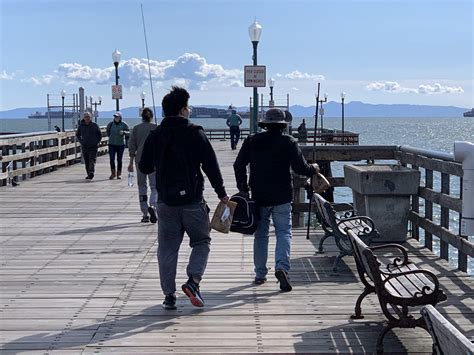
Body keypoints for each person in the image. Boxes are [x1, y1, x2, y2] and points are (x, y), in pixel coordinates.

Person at [139, 86, 229, 310]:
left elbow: (144, 166)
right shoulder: (194, 131)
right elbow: (211, 165)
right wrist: (222, 193)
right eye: (187, 107)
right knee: (201, 241)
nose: (189, 110)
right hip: (192, 201)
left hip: (165, 202)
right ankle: (193, 281)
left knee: (167, 248)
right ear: (181, 110)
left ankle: (169, 296)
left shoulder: (156, 134)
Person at [233, 108, 319, 292]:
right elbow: (301, 168)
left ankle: (260, 273)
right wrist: (314, 168)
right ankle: (282, 268)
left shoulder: (252, 140)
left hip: (259, 195)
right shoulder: (288, 141)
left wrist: (243, 187)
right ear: (283, 125)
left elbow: (238, 164)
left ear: (265, 124)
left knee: (261, 234)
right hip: (282, 195)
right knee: (283, 233)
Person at [128, 107, 158, 223]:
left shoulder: (136, 129)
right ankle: (153, 205)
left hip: (139, 160)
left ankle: (145, 213)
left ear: (142, 117)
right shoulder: (156, 128)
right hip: (153, 161)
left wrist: (130, 162)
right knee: (155, 186)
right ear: (151, 117)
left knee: (142, 186)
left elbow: (132, 146)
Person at [76, 111, 102, 180]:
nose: (87, 118)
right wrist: (81, 141)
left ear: (91, 117)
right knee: (86, 160)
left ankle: (91, 172)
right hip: (85, 146)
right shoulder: (81, 126)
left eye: (88, 117)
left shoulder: (94, 125)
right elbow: (77, 134)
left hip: (93, 146)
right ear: (84, 118)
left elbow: (99, 134)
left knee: (92, 159)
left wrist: (97, 142)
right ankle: (88, 174)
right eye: (86, 117)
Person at [106, 111, 129, 180]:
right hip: (111, 144)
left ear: (120, 117)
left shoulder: (124, 124)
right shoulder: (110, 124)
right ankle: (113, 173)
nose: (116, 117)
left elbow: (129, 132)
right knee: (111, 159)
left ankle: (119, 174)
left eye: (117, 116)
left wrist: (124, 132)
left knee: (119, 159)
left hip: (120, 144)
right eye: (115, 116)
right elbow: (107, 131)